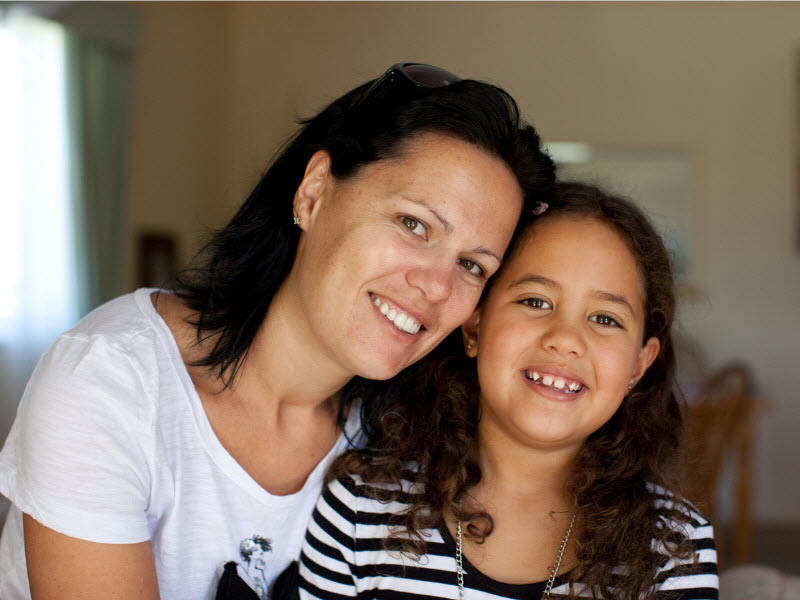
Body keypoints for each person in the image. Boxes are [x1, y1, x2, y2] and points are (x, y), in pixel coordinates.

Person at [0, 63, 556, 599]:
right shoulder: (110, 380)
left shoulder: (405, 438)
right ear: (313, 192)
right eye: (414, 225)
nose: (437, 287)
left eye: (473, 266)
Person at [288, 182, 719, 599]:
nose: (565, 338)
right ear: (474, 325)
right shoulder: (361, 508)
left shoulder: (675, 549)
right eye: (535, 301)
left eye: (606, 319)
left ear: (638, 366)